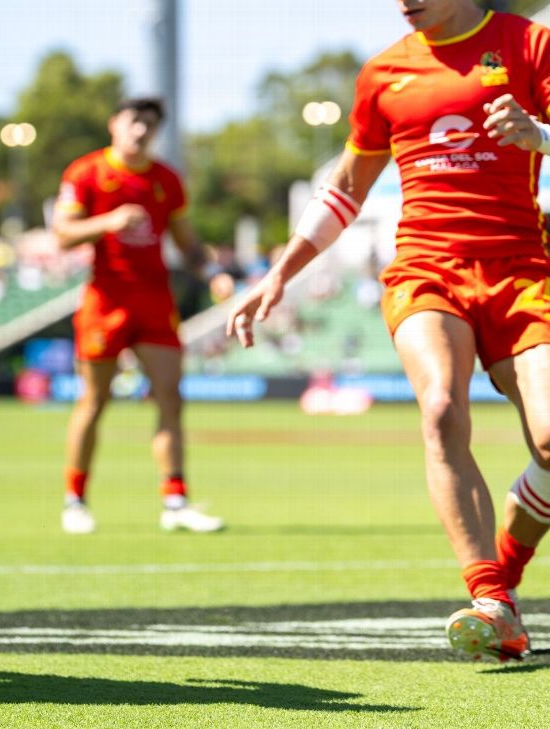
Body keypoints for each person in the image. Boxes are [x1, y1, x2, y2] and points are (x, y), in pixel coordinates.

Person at [228, 0, 550, 663]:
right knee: (439, 409)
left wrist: (541, 134)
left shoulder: (529, 44)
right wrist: (277, 272)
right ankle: (489, 597)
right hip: (425, 269)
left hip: (523, 270)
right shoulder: (382, 73)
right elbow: (346, 186)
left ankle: (508, 570)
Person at [51, 97, 224, 535]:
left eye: (150, 124)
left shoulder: (167, 180)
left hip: (155, 302)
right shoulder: (86, 172)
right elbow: (62, 234)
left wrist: (214, 273)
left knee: (171, 398)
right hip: (104, 302)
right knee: (94, 401)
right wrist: (107, 222)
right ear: (115, 124)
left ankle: (176, 501)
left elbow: (186, 242)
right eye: (134, 121)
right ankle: (75, 499)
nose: (142, 130)